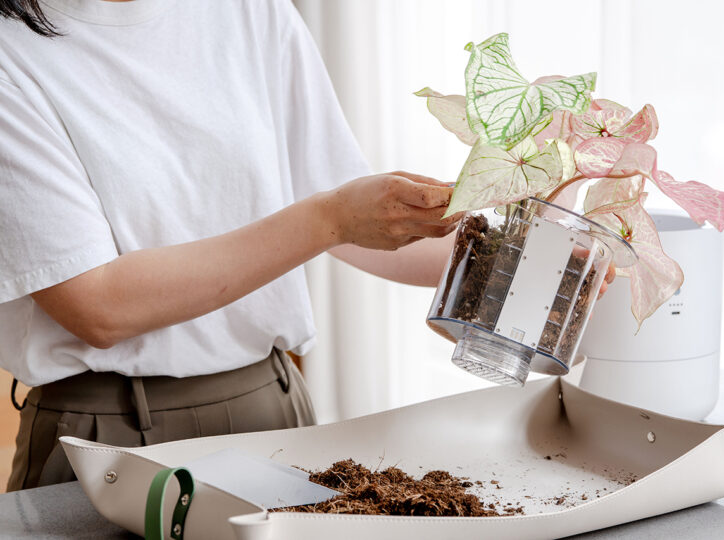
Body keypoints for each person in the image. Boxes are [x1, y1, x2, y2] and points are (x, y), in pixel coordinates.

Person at [0, 0, 462, 491]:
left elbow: (359, 222)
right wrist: (330, 218)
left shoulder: (250, 9)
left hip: (273, 405)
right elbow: (98, 305)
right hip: (108, 437)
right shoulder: (13, 54)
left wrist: (525, 237)